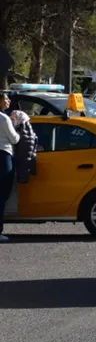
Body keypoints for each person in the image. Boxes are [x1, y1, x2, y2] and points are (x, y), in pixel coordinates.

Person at [0, 93, 19, 242]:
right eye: (6, 99)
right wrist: (15, 124)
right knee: (2, 196)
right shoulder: (4, 118)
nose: (8, 101)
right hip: (4, 156)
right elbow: (15, 138)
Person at [11, 110, 37, 184]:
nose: (11, 121)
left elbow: (24, 157)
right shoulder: (28, 132)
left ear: (18, 119)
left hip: (17, 171)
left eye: (13, 119)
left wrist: (22, 176)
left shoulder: (22, 133)